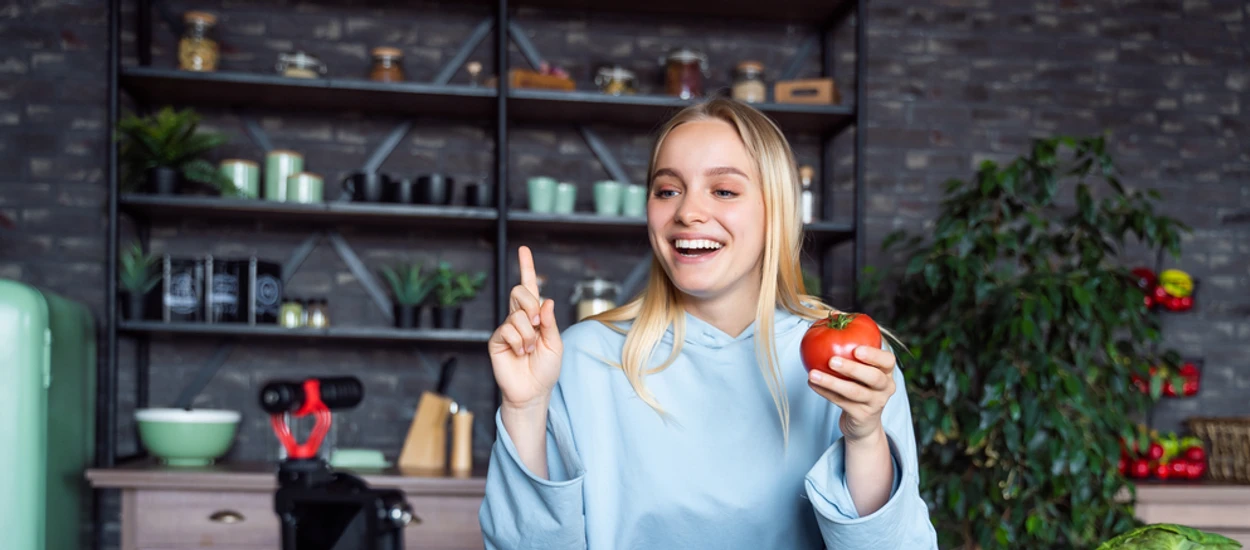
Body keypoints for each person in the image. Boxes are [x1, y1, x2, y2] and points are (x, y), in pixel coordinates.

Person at [479, 97, 937, 549]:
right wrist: (523, 410)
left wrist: (863, 435)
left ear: (774, 208)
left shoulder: (851, 362)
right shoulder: (578, 358)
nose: (687, 212)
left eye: (723, 191)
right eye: (668, 190)